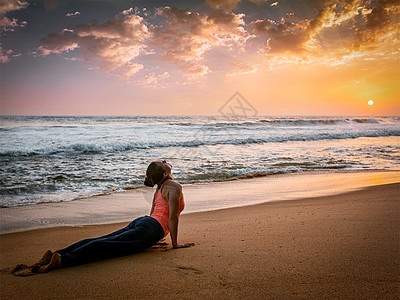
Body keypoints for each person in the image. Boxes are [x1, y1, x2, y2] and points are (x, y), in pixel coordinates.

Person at [21, 161, 193, 274]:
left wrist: (155, 235)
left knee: (104, 239)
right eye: (162, 164)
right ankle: (62, 260)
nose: (164, 161)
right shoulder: (175, 187)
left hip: (144, 223)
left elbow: (154, 211)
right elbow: (172, 218)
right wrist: (175, 243)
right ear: (164, 174)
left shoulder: (160, 187)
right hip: (151, 227)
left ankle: (58, 253)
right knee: (106, 246)